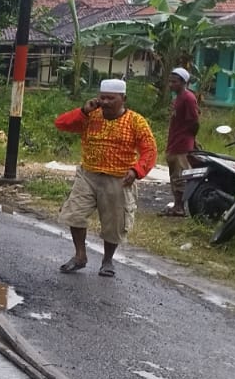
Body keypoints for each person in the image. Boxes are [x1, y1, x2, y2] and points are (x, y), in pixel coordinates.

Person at [54, 78, 158, 278]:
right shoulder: (91, 115)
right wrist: (83, 111)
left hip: (119, 178)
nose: (106, 102)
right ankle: (80, 256)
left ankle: (107, 260)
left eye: (111, 98)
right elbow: (61, 123)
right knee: (75, 213)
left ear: (123, 99)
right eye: (103, 97)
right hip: (88, 175)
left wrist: (136, 171)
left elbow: (150, 150)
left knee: (114, 223)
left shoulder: (136, 121)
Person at [163, 66, 200, 216]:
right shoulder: (178, 98)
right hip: (174, 142)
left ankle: (180, 207)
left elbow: (194, 122)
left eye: (174, 82)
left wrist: (191, 139)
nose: (171, 84)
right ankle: (177, 205)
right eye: (170, 81)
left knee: (180, 176)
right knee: (174, 175)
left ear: (183, 82)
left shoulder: (188, 98)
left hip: (182, 144)